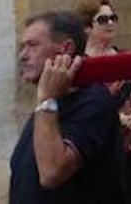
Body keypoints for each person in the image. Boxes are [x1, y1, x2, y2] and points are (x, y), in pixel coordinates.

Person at [9, 11, 122, 203]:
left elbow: (52, 173)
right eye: (22, 47)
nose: (23, 56)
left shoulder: (93, 101)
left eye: (32, 45)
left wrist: (46, 101)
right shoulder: (52, 102)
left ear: (65, 48)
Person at [75, 0, 131, 204]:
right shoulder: (82, 65)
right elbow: (84, 106)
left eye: (113, 18)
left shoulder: (123, 55)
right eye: (103, 19)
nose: (110, 23)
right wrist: (124, 120)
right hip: (105, 151)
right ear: (87, 27)